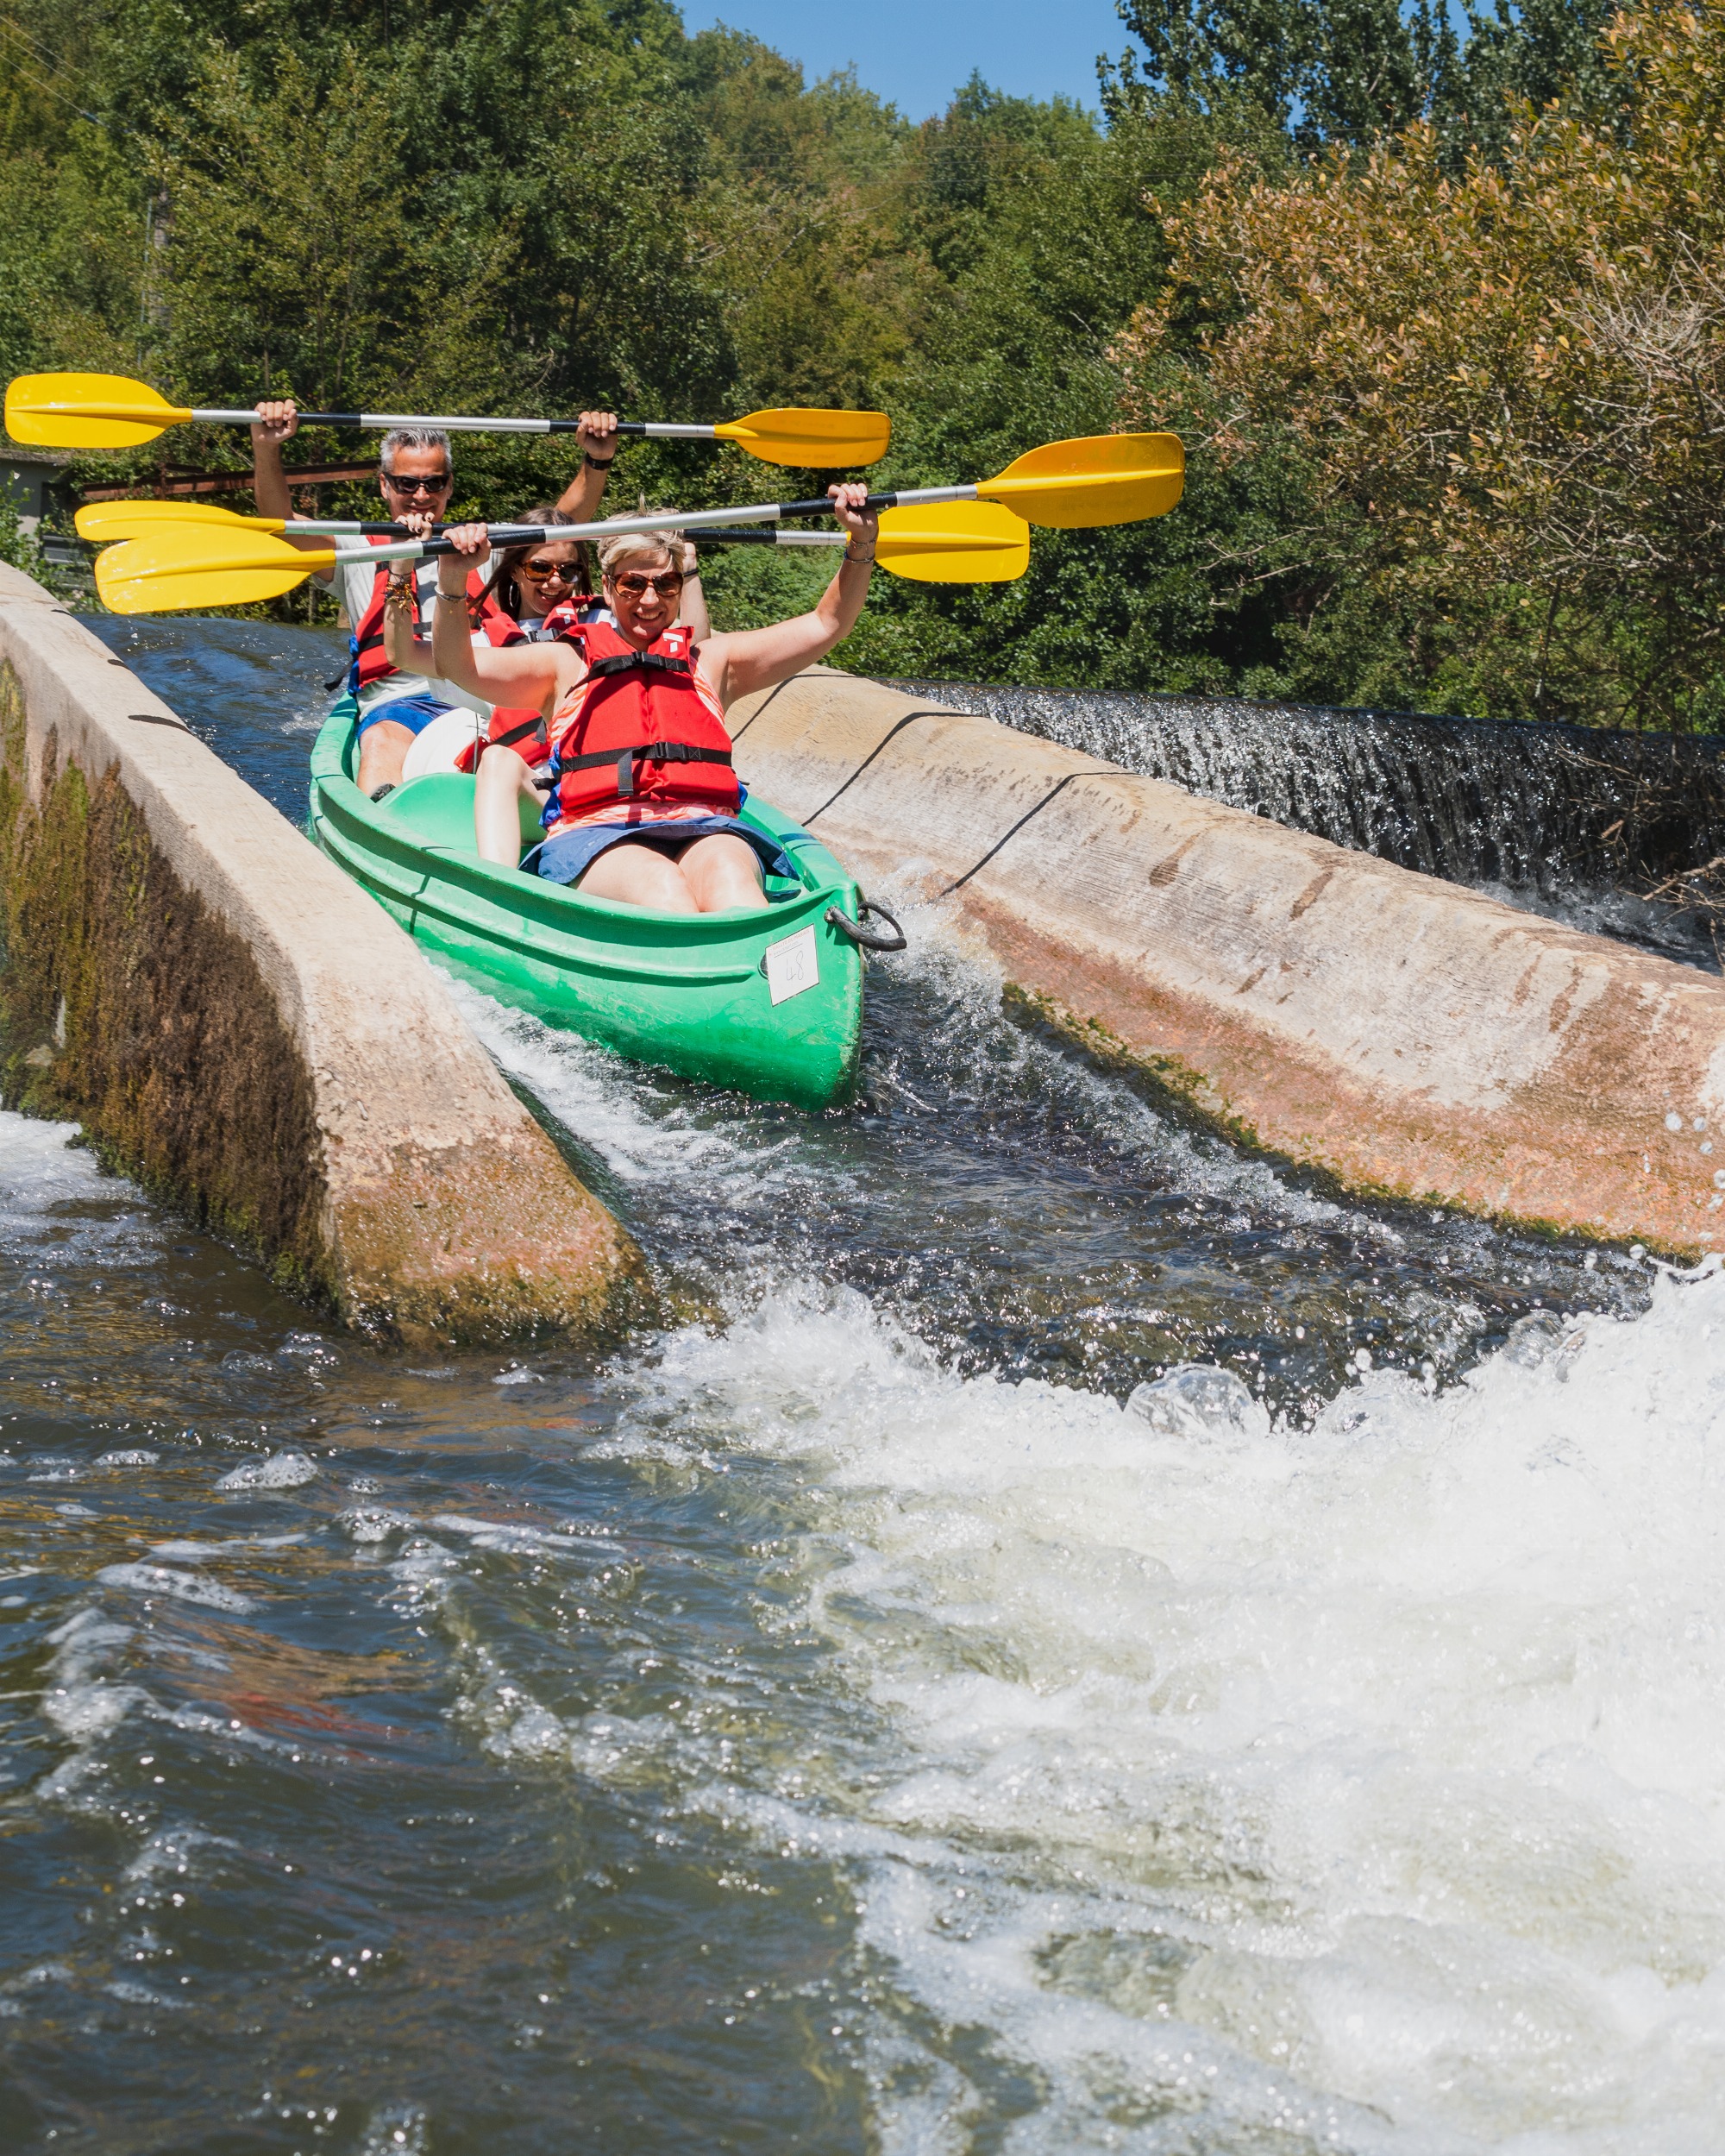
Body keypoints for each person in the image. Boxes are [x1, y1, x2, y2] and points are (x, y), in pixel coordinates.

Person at [428, 485, 877, 915]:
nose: (649, 600)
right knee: (663, 887)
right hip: (598, 833)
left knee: (731, 877)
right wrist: (452, 578)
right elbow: (456, 664)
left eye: (665, 584)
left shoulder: (712, 662)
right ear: (607, 587)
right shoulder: (563, 664)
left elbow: (827, 624)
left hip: (704, 824)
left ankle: (767, 977)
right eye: (632, 584)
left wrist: (860, 542)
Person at [248, 399, 621, 798]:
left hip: (484, 693)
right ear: (384, 485)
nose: (421, 495)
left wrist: (595, 461)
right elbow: (281, 522)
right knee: (382, 739)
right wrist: (267, 448)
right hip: (402, 702)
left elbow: (560, 529)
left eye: (435, 483)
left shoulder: (477, 546)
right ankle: (382, 823)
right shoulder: (355, 548)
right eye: (407, 483)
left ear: (450, 486)